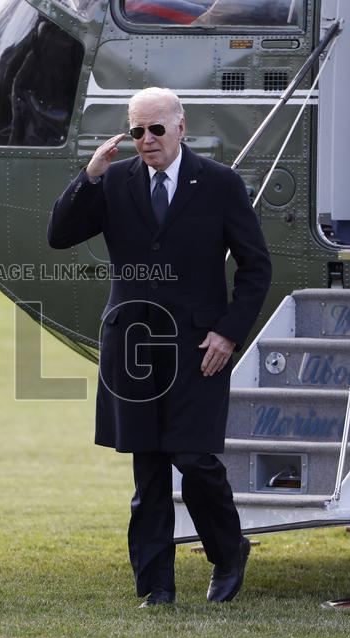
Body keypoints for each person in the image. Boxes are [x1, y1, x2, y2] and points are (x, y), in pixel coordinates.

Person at [47, 88, 271, 607]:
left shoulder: (218, 184)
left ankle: (228, 549)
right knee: (148, 468)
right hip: (132, 343)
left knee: (193, 458)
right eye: (137, 131)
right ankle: (156, 587)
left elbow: (256, 267)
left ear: (181, 127)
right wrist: (89, 177)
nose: (146, 140)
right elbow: (60, 234)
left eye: (156, 129)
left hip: (199, 347)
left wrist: (229, 331)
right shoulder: (116, 181)